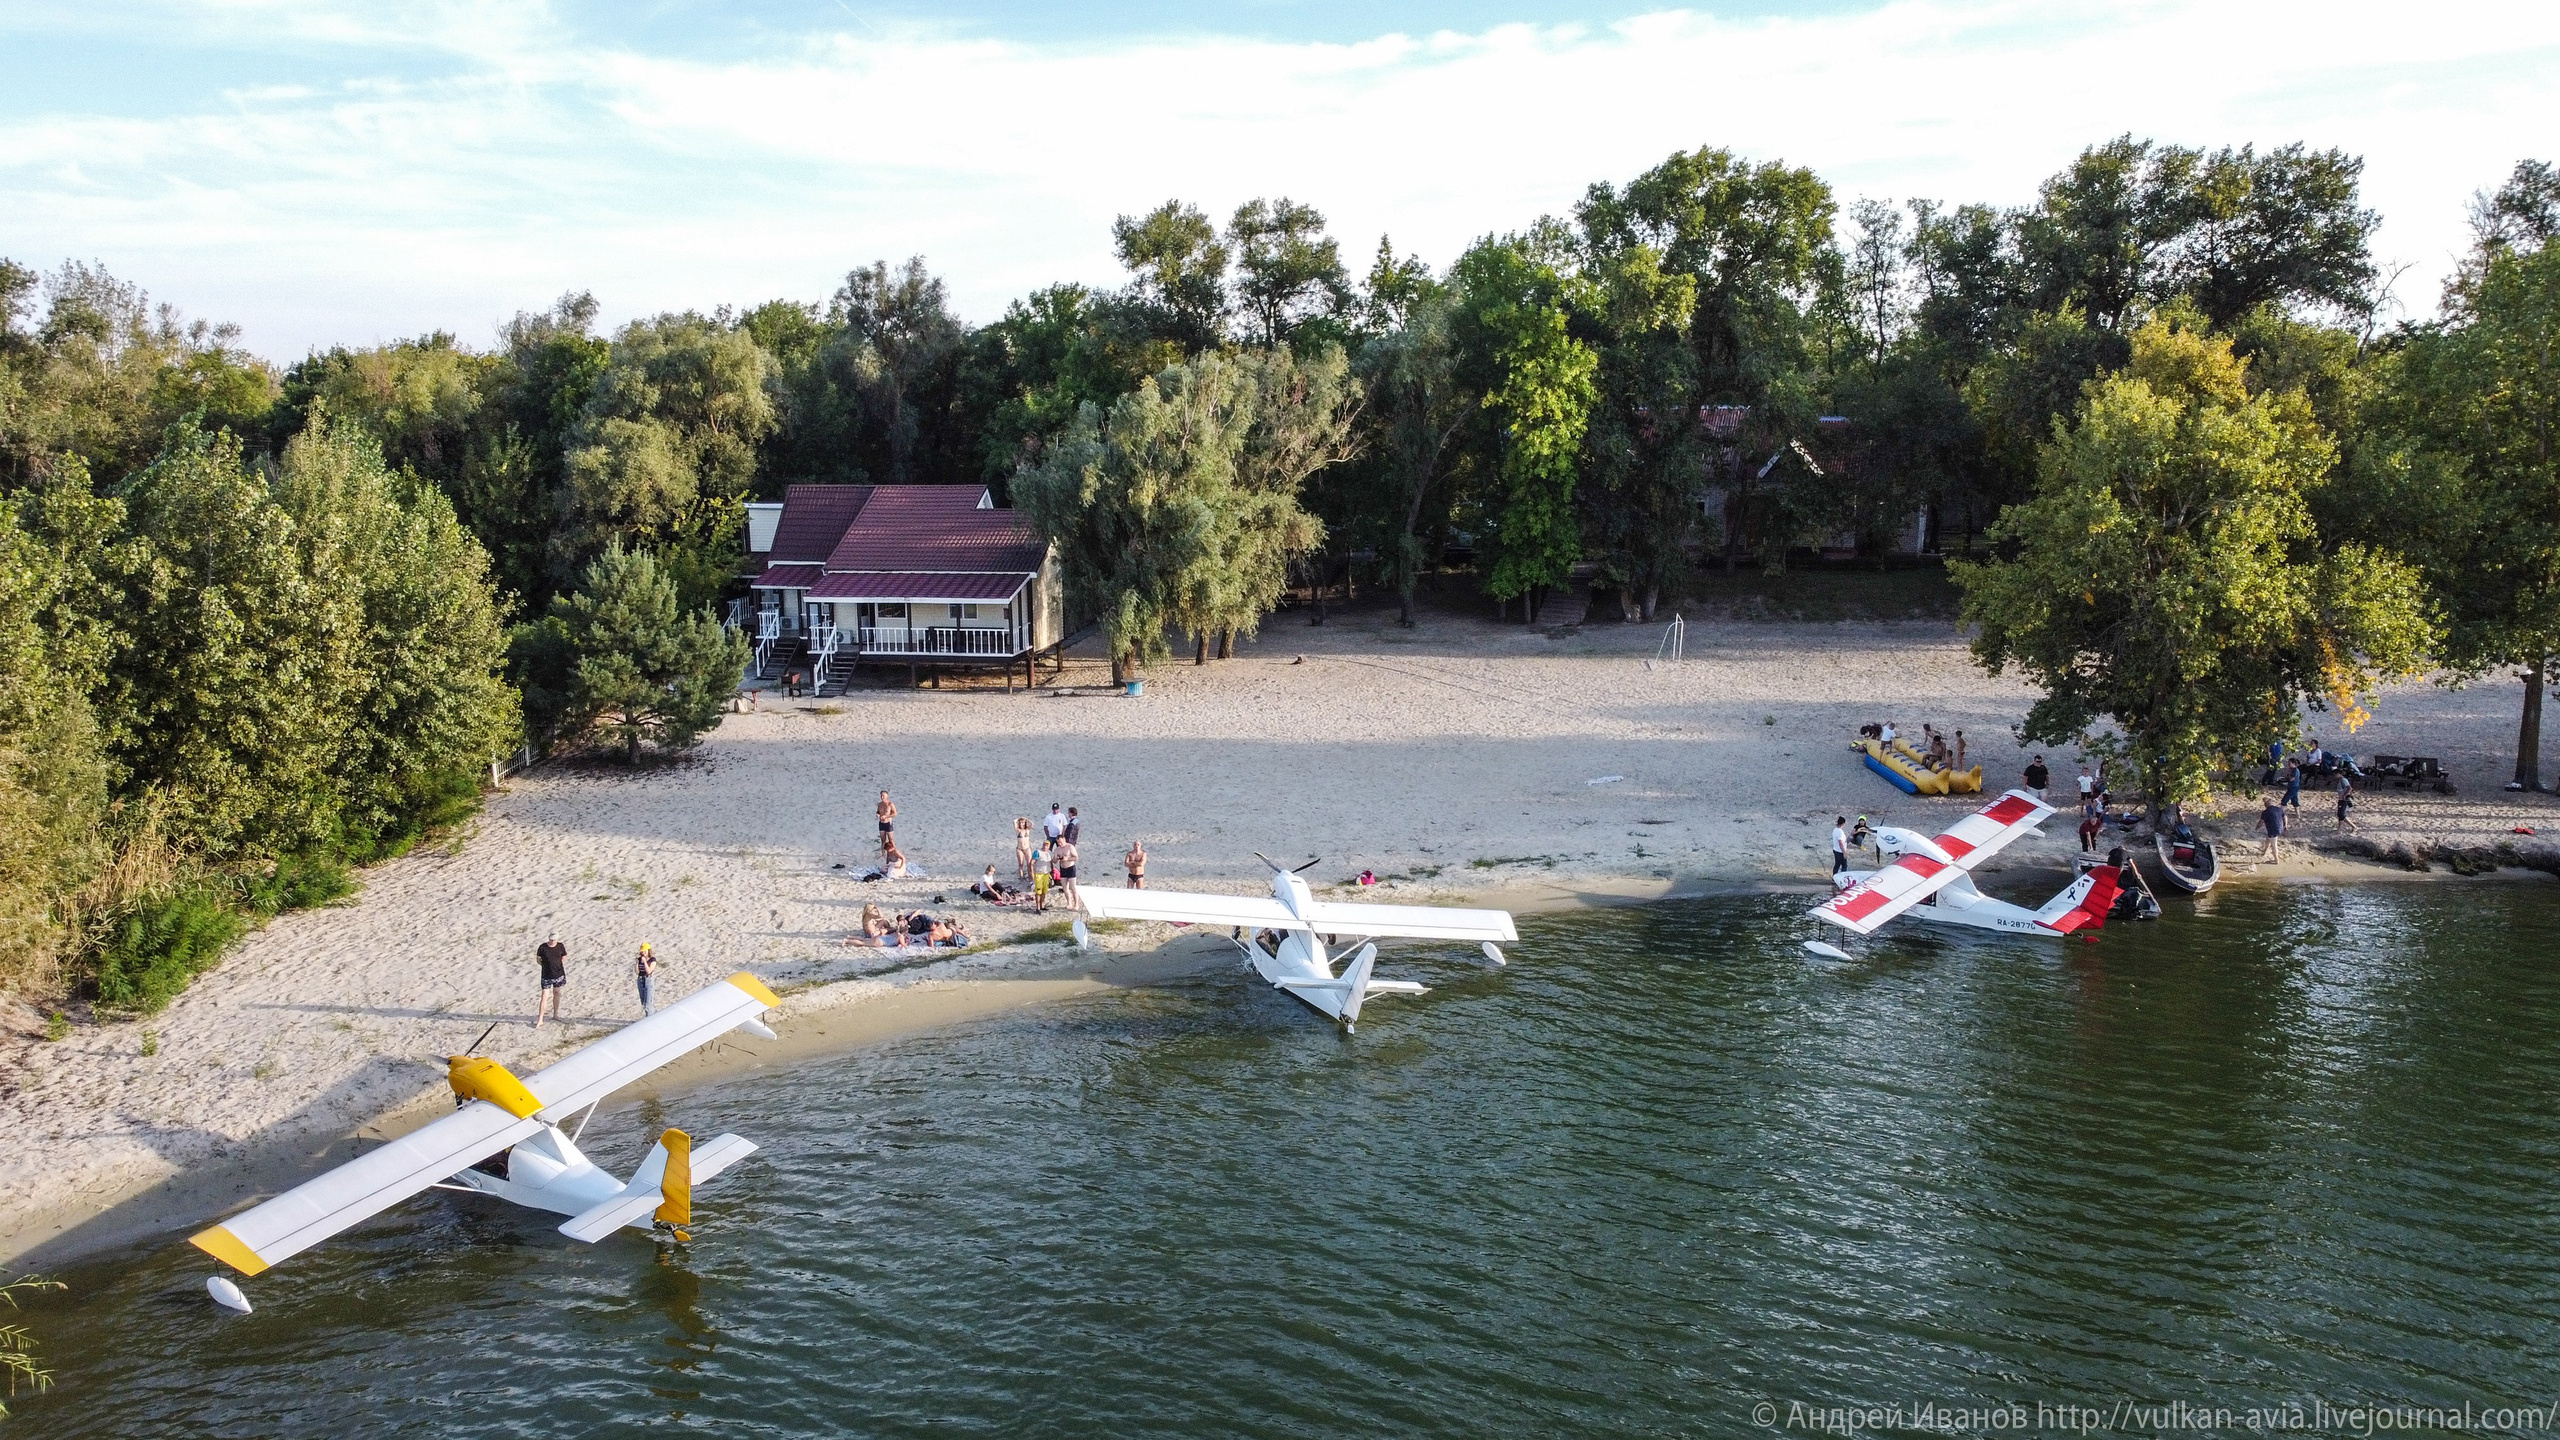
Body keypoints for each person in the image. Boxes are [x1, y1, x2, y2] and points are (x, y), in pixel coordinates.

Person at [534, 934, 568, 1028]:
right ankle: (540, 1019)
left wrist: (558, 964)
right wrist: (545, 966)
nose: (552, 941)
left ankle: (555, 1014)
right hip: (546, 975)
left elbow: (563, 956)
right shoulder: (543, 947)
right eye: (551, 939)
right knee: (544, 996)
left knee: (557, 993)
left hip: (558, 974)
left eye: (554, 940)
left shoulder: (560, 946)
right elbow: (538, 959)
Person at [1057, 839, 1082, 911]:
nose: (1060, 844)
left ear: (1064, 840)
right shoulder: (1057, 849)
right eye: (1058, 842)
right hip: (1062, 868)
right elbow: (1054, 860)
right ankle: (1069, 903)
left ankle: (1076, 904)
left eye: (1061, 842)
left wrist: (1067, 858)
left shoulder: (1070, 847)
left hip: (1070, 868)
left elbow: (1076, 857)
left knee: (1073, 887)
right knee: (1065, 888)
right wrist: (1057, 858)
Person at [633, 942, 657, 1017]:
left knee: (648, 1004)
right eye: (642, 951)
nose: (643, 953)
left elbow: (649, 971)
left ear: (648, 951)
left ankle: (651, 1018)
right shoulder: (640, 959)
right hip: (640, 980)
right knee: (644, 1003)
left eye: (645, 951)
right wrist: (637, 963)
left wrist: (645, 962)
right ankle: (651, 1016)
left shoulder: (652, 960)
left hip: (648, 980)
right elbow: (637, 972)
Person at [2259, 794, 2285, 860]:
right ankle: (2264, 851)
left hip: (2273, 830)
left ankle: (2276, 860)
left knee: (2274, 845)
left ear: (2265, 804)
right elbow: (2285, 817)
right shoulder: (2279, 809)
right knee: (2268, 838)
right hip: (2280, 828)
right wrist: (2285, 825)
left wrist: (2257, 828)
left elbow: (2261, 822)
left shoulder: (2266, 812)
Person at [877, 790, 897, 856]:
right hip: (881, 823)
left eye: (883, 796)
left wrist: (886, 816)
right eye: (881, 796)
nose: (882, 797)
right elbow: (878, 812)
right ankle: (883, 854)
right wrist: (878, 815)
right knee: (883, 840)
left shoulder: (890, 804)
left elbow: (895, 813)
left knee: (891, 839)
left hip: (888, 823)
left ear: (887, 796)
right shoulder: (879, 804)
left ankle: (894, 853)